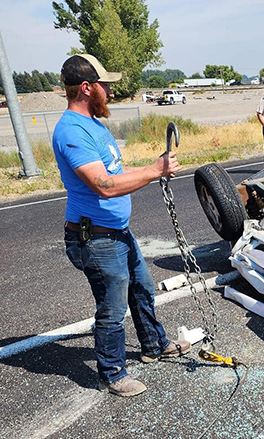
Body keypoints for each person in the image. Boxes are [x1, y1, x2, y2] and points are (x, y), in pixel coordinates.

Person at [52, 54, 189, 398]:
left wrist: (151, 167)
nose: (110, 91)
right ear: (86, 88)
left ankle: (154, 345)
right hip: (94, 238)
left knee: (142, 288)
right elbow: (103, 184)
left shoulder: (95, 125)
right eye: (105, 85)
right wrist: (154, 171)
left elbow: (115, 174)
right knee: (112, 309)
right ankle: (112, 373)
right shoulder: (71, 131)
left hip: (116, 233)